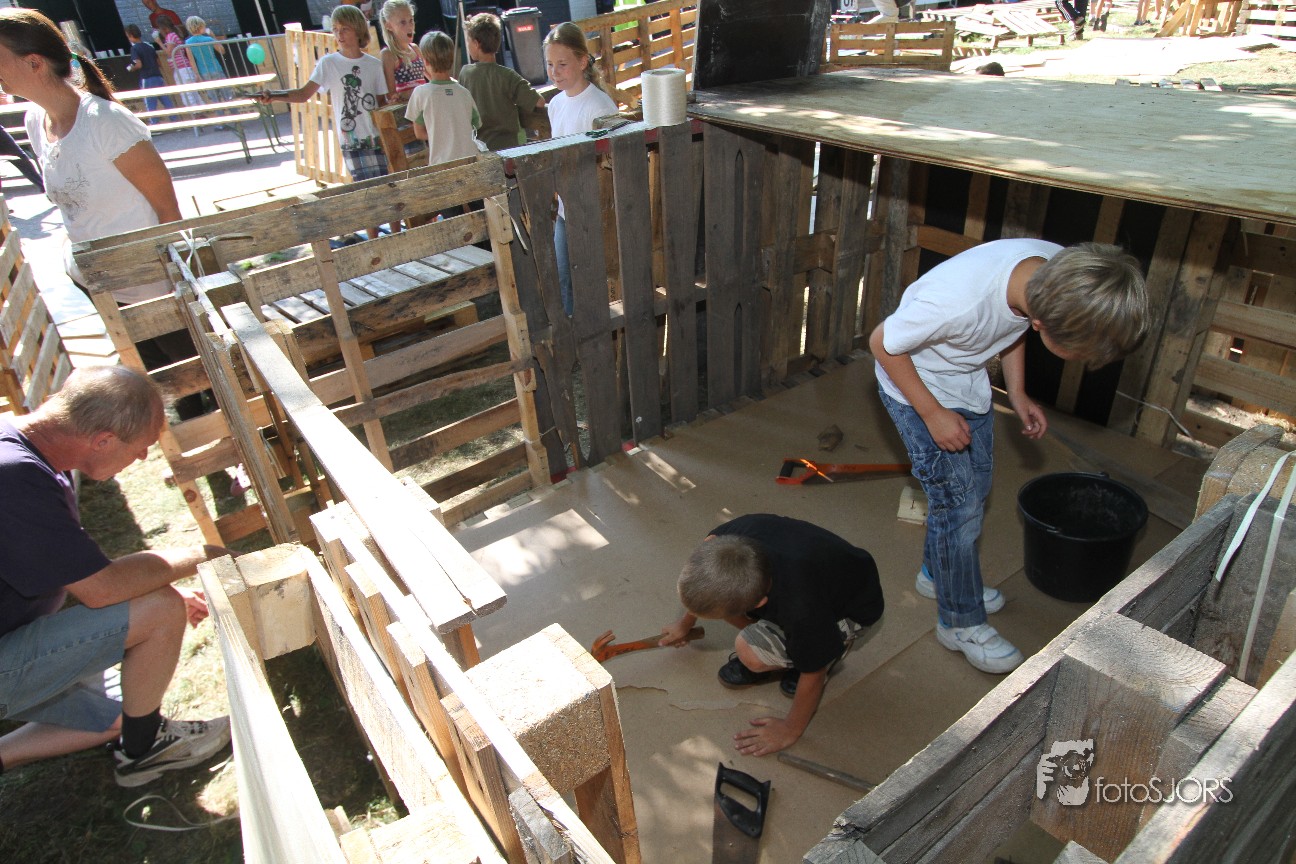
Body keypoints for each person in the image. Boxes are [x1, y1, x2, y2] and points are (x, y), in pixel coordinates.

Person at [869, 240, 1147, 674]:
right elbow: (883, 344)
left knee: (975, 491)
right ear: (1042, 321)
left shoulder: (1059, 272)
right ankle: (959, 621)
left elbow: (1012, 325)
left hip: (965, 378)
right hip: (915, 388)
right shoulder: (957, 301)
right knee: (959, 507)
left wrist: (1016, 392)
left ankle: (939, 575)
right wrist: (933, 414)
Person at [0, 366, 232, 787]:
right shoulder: (14, 476)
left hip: (11, 631)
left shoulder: (19, 446)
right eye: (140, 448)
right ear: (103, 440)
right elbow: (103, 588)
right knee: (160, 609)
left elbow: (70, 567)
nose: (142, 458)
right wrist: (204, 555)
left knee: (121, 711)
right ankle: (145, 750)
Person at [660, 515, 884, 757]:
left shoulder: (801, 608)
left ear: (760, 603)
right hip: (817, 575)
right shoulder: (723, 542)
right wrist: (685, 624)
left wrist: (790, 729)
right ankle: (788, 645)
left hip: (851, 608)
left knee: (750, 651)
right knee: (728, 609)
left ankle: (810, 653)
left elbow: (814, 672)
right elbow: (704, 587)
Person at [258, 4, 389, 236]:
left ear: (358, 30)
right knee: (365, 193)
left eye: (344, 29)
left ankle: (396, 235)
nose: (339, 34)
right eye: (335, 29)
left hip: (376, 138)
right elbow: (303, 94)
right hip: (351, 140)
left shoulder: (374, 65)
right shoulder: (329, 63)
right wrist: (275, 95)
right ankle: (374, 240)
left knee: (386, 189)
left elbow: (381, 103)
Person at [543, 22, 617, 316]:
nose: (555, 72)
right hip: (565, 209)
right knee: (564, 279)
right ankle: (574, 335)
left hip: (593, 211)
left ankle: (597, 332)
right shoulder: (555, 104)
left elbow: (608, 163)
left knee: (594, 280)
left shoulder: (599, 107)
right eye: (550, 64)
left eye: (562, 64)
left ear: (583, 61)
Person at [459, 12, 544, 152]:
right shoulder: (508, 76)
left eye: (468, 41)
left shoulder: (465, 74)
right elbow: (539, 102)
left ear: (476, 43)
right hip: (509, 148)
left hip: (479, 148)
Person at [406, 32, 480, 167]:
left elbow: (419, 133)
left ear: (425, 61)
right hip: (471, 160)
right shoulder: (464, 93)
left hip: (442, 164)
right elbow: (476, 125)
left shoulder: (420, 93)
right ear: (451, 59)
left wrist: (441, 134)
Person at [124, 23, 175, 119]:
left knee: (150, 103)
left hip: (146, 78)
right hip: (157, 75)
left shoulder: (134, 48)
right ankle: (175, 120)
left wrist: (131, 68)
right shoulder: (150, 46)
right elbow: (159, 62)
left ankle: (154, 123)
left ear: (130, 35)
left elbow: (138, 64)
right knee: (166, 100)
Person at [379, 0, 424, 103]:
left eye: (411, 20)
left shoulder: (415, 49)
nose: (410, 26)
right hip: (406, 109)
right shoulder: (388, 54)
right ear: (389, 26)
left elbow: (432, 76)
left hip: (424, 105)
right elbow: (391, 95)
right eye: (403, 22)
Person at [157, 16, 201, 110]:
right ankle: (200, 111)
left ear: (163, 28)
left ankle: (196, 113)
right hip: (183, 68)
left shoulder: (170, 36)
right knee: (192, 92)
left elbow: (169, 52)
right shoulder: (174, 35)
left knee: (186, 93)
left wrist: (159, 43)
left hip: (181, 69)